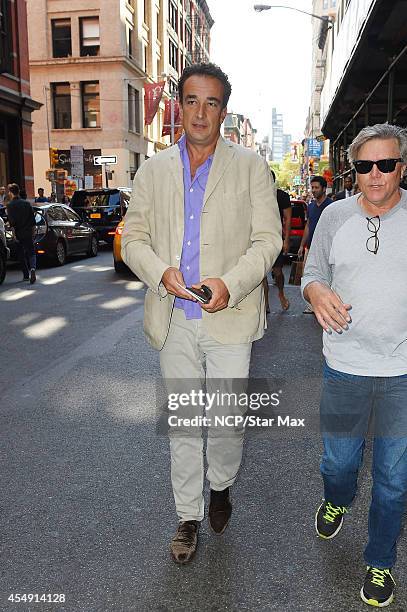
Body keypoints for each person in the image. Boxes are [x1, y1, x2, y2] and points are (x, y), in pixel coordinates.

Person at [121, 62, 281, 565]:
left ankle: (222, 486)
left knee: (228, 422)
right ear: (179, 107)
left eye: (211, 103)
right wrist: (159, 271)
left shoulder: (251, 166)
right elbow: (133, 238)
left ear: (223, 112)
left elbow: (268, 240)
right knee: (186, 423)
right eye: (191, 100)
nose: (200, 112)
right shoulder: (153, 169)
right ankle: (187, 516)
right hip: (173, 318)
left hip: (229, 316)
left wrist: (228, 284)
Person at [301, 123, 407, 608]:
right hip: (344, 364)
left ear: (401, 167)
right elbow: (314, 271)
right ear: (354, 170)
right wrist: (316, 291)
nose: (376, 175)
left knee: (393, 478)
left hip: (402, 373)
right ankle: (336, 498)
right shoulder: (333, 216)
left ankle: (380, 562)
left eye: (386, 164)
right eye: (365, 165)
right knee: (339, 464)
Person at [298, 176, 333, 313]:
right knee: (308, 275)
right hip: (310, 246)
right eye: (312, 187)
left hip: (327, 248)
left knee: (326, 276)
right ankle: (312, 305)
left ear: (324, 189)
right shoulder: (311, 206)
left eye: (316, 187)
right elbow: (308, 225)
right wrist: (301, 245)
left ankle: (328, 303)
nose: (313, 190)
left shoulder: (331, 206)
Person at [263, 169, 292, 312]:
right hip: (258, 239)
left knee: (278, 272)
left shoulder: (282, 196)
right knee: (260, 275)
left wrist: (286, 240)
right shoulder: (257, 195)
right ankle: (265, 303)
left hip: (276, 239)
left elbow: (288, 219)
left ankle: (281, 294)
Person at [6, 183, 37, 284]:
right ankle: (32, 268)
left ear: (10, 193)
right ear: (18, 191)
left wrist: (14, 235)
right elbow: (33, 220)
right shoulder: (27, 204)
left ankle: (26, 275)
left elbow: (12, 223)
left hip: (19, 233)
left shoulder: (10, 205)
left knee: (21, 255)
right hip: (28, 232)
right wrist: (33, 233)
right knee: (31, 252)